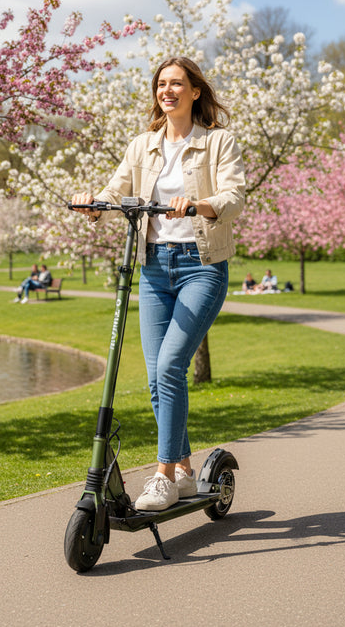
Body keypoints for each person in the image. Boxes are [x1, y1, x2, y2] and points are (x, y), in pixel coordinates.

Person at [72, 56, 245, 512]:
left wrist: (199, 205)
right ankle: (186, 471)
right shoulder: (142, 146)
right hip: (153, 268)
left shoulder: (217, 143)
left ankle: (164, 474)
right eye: (161, 84)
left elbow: (233, 197)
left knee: (169, 367)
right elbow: (115, 191)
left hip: (201, 265)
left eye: (177, 83)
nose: (167, 90)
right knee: (157, 376)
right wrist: (94, 203)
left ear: (194, 92)